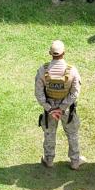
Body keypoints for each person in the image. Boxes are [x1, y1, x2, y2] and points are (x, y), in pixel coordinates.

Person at [35, 40, 83, 169]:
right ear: (64, 53)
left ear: (50, 53)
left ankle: (49, 160)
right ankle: (75, 161)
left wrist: (50, 109)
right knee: (72, 134)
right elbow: (75, 93)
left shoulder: (42, 70)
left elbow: (39, 93)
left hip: (49, 109)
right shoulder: (72, 70)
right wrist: (62, 108)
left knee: (50, 134)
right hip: (67, 109)